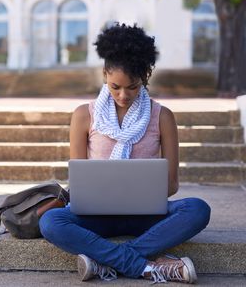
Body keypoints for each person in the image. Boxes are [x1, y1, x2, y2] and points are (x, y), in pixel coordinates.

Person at [39, 23, 211, 284]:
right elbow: (79, 183)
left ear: (144, 77)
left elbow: (172, 185)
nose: (123, 95)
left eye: (132, 87)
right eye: (115, 86)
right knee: (51, 222)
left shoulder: (162, 117)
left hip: (146, 217)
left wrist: (141, 194)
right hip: (95, 217)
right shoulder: (84, 115)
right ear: (104, 73)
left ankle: (105, 261)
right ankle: (148, 267)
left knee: (197, 209)